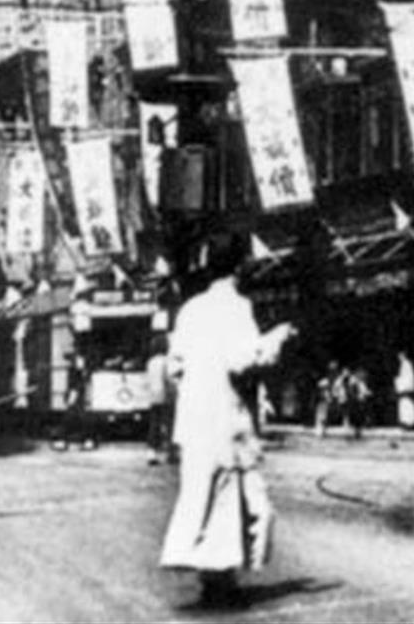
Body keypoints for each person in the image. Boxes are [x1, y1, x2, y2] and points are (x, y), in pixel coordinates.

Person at [159, 233, 296, 607]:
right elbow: (244, 360)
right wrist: (276, 338)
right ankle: (220, 582)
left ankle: (215, 579)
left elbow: (175, 367)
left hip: (194, 419)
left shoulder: (189, 309)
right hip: (225, 418)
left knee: (205, 496)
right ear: (239, 266)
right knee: (237, 499)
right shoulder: (237, 307)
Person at [145, 331, 172, 465]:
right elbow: (168, 379)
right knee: (169, 424)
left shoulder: (151, 362)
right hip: (165, 396)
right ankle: (171, 453)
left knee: (154, 425)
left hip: (153, 396)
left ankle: (151, 453)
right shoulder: (166, 361)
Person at [394, 351, 414, 432]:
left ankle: (409, 424)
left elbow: (409, 377)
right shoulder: (403, 364)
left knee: (408, 406)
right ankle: (406, 423)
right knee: (404, 406)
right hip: (404, 390)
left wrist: (403, 385)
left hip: (406, 389)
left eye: (400, 355)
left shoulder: (407, 364)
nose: (399, 357)